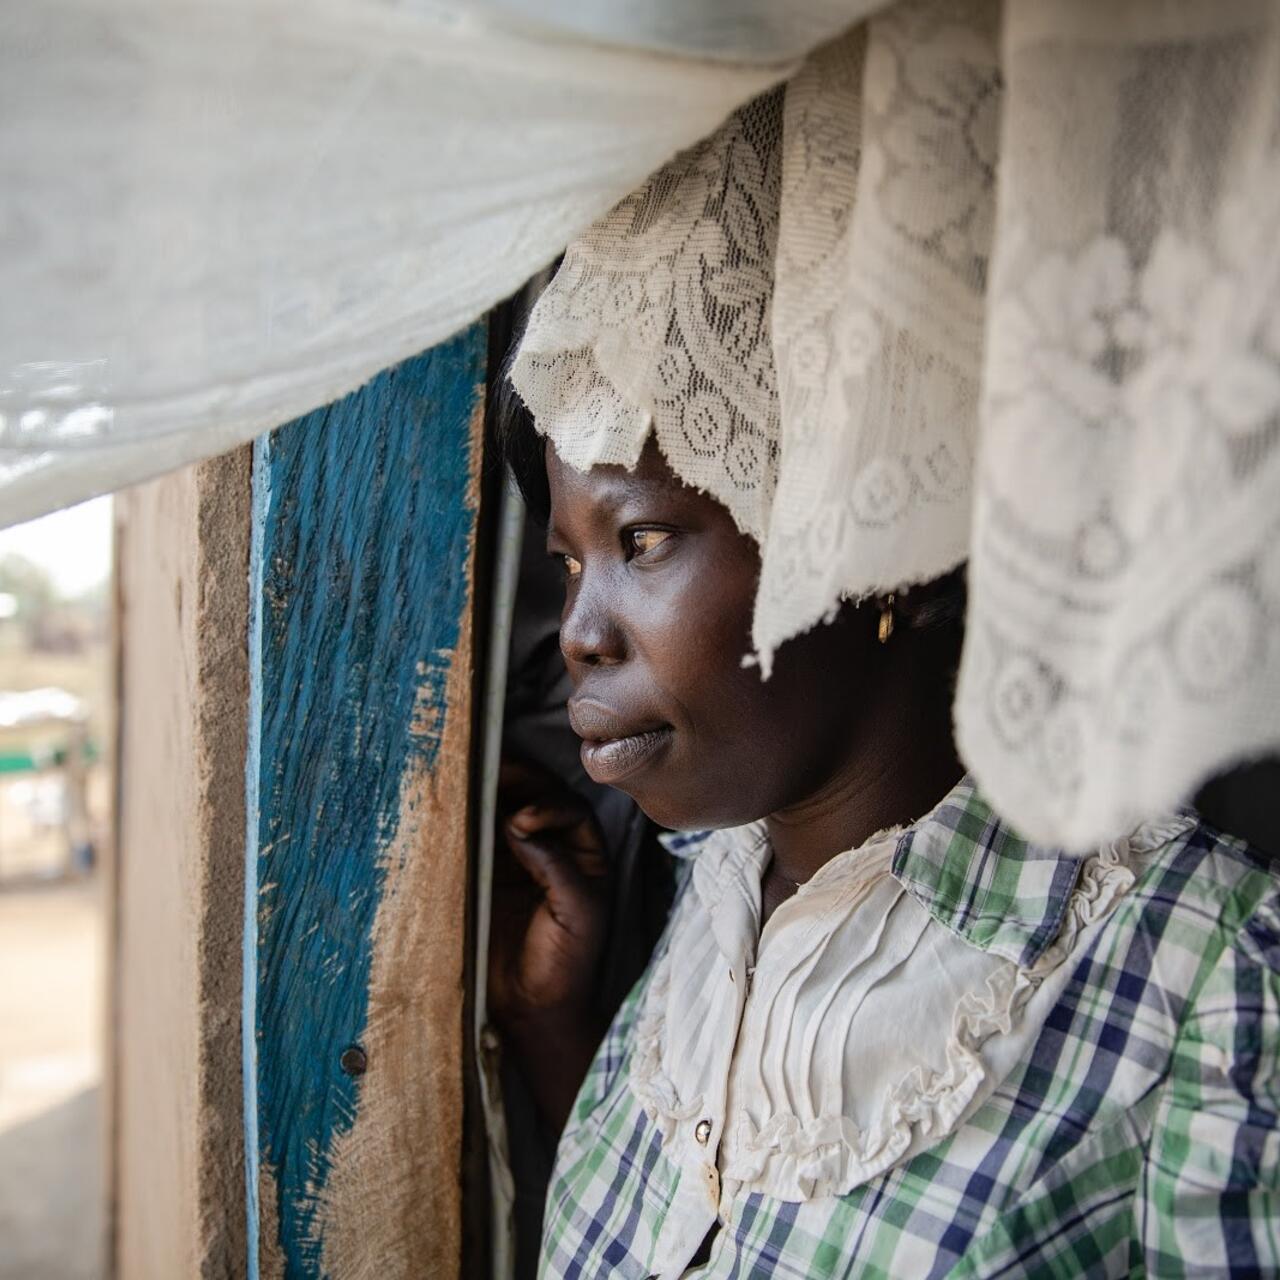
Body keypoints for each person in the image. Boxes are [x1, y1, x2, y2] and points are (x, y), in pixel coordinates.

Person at [488, 427, 1280, 1278]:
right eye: (569, 563)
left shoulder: (1211, 975)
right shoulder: (712, 879)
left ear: (874, 549)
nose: (577, 633)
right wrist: (551, 1024)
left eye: (640, 542)